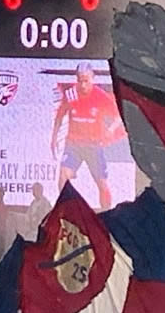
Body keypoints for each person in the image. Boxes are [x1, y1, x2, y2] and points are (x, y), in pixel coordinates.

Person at [51, 63, 120, 209]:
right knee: (63, 177)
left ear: (93, 79)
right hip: (74, 145)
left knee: (102, 184)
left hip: (94, 146)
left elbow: (119, 115)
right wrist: (54, 138)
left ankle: (108, 214)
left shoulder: (100, 96)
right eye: (80, 80)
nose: (82, 84)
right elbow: (59, 116)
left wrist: (111, 129)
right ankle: (67, 211)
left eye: (86, 80)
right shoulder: (71, 94)